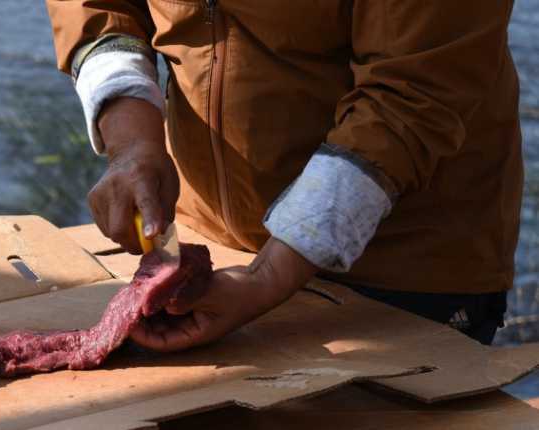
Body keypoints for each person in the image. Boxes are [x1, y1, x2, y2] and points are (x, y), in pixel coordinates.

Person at [45, 1, 521, 348]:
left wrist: (269, 277)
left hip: (404, 272)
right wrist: (133, 144)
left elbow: (412, 98)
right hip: (214, 245)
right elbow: (100, 7)